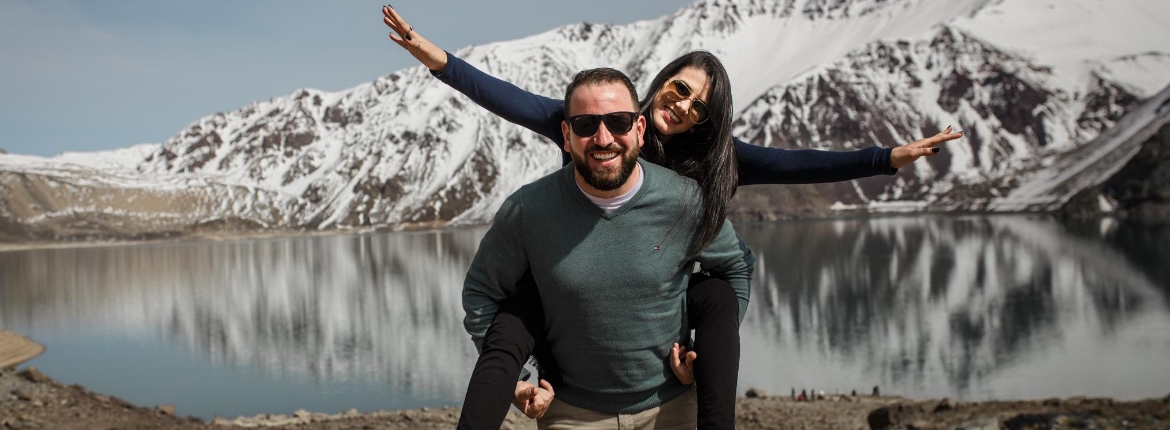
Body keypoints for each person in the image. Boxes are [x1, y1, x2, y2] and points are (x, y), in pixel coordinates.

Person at [380, 6, 963, 429]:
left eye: (697, 107)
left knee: (714, 296)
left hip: (669, 290)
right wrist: (437, 60)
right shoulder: (594, 125)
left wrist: (883, 158)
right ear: (658, 86)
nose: (681, 106)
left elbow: (799, 165)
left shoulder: (706, 169)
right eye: (679, 88)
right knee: (516, 313)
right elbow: (504, 97)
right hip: (571, 274)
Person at [462, 65, 754, 428]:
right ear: (566, 136)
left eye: (618, 122)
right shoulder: (527, 211)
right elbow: (481, 293)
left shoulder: (685, 201)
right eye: (586, 125)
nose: (603, 138)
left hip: (672, 409)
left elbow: (735, 269)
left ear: (639, 130)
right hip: (571, 415)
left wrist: (702, 353)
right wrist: (519, 382)